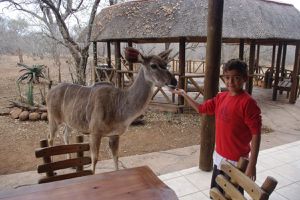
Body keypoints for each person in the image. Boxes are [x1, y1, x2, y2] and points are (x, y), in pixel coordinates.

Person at [171, 59, 261, 191]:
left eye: (236, 78)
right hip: (219, 157)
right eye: (227, 77)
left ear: (244, 78)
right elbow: (201, 109)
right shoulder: (221, 98)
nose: (230, 82)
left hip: (237, 162)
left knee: (233, 195)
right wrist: (184, 94)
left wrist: (252, 165)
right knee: (216, 193)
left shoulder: (248, 103)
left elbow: (256, 134)